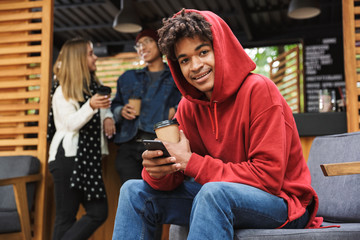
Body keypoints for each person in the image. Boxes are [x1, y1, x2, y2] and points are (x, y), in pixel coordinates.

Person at [112, 9, 323, 239]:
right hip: (219, 196)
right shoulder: (188, 106)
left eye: (203, 52)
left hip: (283, 203)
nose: (195, 66)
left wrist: (191, 162)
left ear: (221, 49)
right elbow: (174, 177)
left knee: (213, 193)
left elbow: (268, 178)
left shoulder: (260, 90)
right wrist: (158, 172)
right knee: (133, 191)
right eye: (185, 60)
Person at [48, 38, 115, 240]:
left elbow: (103, 109)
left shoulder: (94, 87)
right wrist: (91, 107)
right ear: (78, 59)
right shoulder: (62, 91)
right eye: (90, 53)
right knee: (65, 218)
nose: (95, 57)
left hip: (88, 160)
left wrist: (108, 116)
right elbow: (69, 124)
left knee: (98, 212)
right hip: (67, 159)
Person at [111, 29, 182, 183]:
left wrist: (177, 110)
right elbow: (115, 104)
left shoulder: (176, 76)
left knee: (158, 195)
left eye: (147, 41)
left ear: (159, 44)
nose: (142, 47)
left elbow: (190, 101)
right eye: (138, 45)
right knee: (132, 191)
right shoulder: (127, 77)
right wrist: (120, 110)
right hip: (128, 144)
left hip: (159, 144)